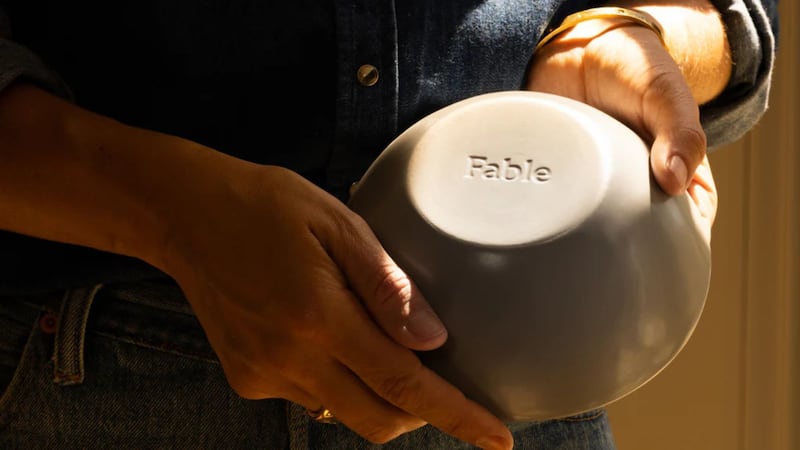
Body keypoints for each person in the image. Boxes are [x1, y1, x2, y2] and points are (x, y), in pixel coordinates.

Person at [0, 0, 777, 448]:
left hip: (533, 388)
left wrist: (630, 30)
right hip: (107, 375)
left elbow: (733, 14)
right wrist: (168, 212)